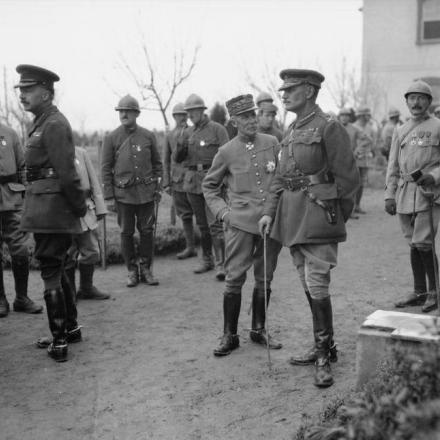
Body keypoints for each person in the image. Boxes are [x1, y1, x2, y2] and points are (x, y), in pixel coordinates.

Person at [258, 69, 359, 388]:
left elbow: (349, 180)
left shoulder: (329, 127)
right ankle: (325, 345)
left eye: (291, 89)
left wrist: (331, 212)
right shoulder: (291, 129)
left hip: (317, 216)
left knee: (317, 282)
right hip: (292, 218)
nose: (284, 95)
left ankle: (323, 356)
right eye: (283, 90)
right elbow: (280, 177)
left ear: (310, 92)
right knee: (306, 280)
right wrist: (268, 213)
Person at [203, 94, 283, 356]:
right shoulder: (226, 151)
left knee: (265, 276)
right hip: (239, 226)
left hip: (270, 223)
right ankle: (230, 335)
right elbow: (209, 187)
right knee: (234, 278)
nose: (252, 120)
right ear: (234, 121)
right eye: (246, 116)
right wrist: (225, 214)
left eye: (254, 114)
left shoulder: (272, 142)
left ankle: (258, 329)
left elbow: (281, 177)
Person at [17, 64, 87, 362]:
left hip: (53, 211)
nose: (22, 96)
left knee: (50, 270)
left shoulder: (54, 124)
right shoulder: (42, 122)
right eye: (20, 90)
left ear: (46, 93)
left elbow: (68, 174)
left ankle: (59, 342)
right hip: (46, 208)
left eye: (28, 90)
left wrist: (79, 208)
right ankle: (70, 329)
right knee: (59, 267)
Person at [385, 80, 440, 313]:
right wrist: (389, 194)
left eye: (421, 98)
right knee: (413, 244)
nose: (416, 103)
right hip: (406, 193)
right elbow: (392, 165)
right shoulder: (400, 129)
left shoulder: (438, 126)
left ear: (429, 101)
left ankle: (434, 292)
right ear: (406, 102)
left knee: (423, 242)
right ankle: (419, 292)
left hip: (429, 192)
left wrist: (434, 176)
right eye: (412, 98)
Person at [101, 95, 162, 287]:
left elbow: (157, 164)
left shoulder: (148, 136)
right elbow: (105, 168)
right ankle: (131, 271)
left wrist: (158, 188)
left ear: (136, 113)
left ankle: (146, 269)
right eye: (121, 111)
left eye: (127, 111)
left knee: (147, 231)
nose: (124, 114)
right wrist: (109, 197)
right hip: (123, 196)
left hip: (146, 194)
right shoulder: (112, 138)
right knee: (126, 233)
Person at [174, 94, 229, 280]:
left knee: (215, 225)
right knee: (202, 225)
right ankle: (207, 260)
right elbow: (178, 159)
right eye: (187, 112)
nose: (190, 115)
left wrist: (225, 181)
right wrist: (180, 145)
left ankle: (222, 264)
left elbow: (228, 157)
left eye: (193, 111)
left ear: (202, 110)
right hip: (192, 183)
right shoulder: (186, 132)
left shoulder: (217, 130)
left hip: (213, 183)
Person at [0, 122, 43, 317]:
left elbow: (23, 168)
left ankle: (22, 298)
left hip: (12, 198)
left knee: (20, 248)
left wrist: (29, 195)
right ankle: (1, 299)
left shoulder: (9, 134)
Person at [65, 146, 110, 300]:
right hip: (65, 211)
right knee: (68, 252)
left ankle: (86, 288)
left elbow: (93, 181)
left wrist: (100, 207)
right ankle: (69, 292)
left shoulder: (81, 153)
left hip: (85, 209)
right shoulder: (51, 153)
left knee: (91, 250)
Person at [163, 103, 196, 260]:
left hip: (195, 179)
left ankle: (212, 251)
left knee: (204, 215)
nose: (182, 117)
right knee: (185, 215)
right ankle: (190, 247)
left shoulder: (194, 132)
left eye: (184, 114)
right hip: (177, 181)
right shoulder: (169, 136)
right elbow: (165, 161)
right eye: (178, 114)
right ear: (174, 116)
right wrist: (166, 182)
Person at [338, 107, 365, 219]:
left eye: (346, 115)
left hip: (350, 161)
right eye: (342, 115)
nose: (344, 117)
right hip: (337, 161)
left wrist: (357, 150)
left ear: (349, 117)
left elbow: (367, 139)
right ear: (339, 117)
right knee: (338, 186)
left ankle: (351, 210)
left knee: (352, 186)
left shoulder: (354, 129)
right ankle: (339, 210)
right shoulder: (334, 127)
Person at [352, 106, 378, 214]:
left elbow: (373, 142)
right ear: (361, 115)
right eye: (367, 114)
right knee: (353, 183)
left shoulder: (370, 127)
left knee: (362, 183)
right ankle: (351, 207)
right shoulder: (352, 127)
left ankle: (357, 205)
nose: (369, 116)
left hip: (366, 158)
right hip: (354, 158)